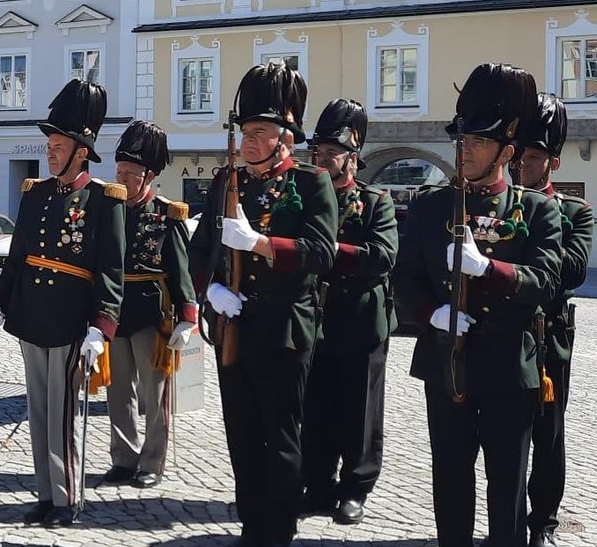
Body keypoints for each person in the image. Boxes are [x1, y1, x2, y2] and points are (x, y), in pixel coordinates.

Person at [393, 63, 561, 547]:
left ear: (507, 152)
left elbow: (546, 281)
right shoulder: (429, 206)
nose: (465, 151)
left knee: (507, 482)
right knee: (449, 475)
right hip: (446, 362)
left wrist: (488, 269)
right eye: (462, 141)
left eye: (478, 143)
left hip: (510, 367)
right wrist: (432, 313)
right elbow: (404, 278)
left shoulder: (535, 210)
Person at [187, 62, 337, 547]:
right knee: (242, 431)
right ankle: (253, 522)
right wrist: (209, 290)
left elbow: (321, 252)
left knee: (280, 432)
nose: (250, 141)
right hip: (234, 325)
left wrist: (261, 244)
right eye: (246, 131)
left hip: (284, 328)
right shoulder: (226, 182)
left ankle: (278, 528)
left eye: (261, 132)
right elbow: (200, 248)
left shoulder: (311, 183)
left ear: (284, 137)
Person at [0, 78, 125, 527]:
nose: (51, 152)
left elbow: (110, 269)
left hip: (69, 322)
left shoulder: (104, 200)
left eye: (59, 145)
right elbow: (20, 255)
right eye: (50, 144)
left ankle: (67, 499)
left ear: (82, 150)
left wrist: (102, 325)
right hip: (30, 316)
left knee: (62, 415)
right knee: (39, 412)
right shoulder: (36, 194)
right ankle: (45, 492)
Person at [299, 99, 397, 525]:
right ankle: (317, 484)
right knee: (315, 407)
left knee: (359, 410)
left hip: (360, 320)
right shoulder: (303, 199)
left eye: (330, 154)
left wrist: (328, 251)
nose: (321, 160)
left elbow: (381, 255)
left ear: (352, 158)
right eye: (316, 153)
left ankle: (355, 488)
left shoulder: (375, 202)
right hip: (314, 319)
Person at [513, 93, 591, 547]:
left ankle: (543, 520)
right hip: (503, 332)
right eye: (519, 155)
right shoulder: (499, 208)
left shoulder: (573, 212)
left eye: (534, 157)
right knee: (503, 436)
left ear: (553, 163)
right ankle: (505, 515)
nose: (523, 165)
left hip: (547, 337)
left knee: (548, 433)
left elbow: (572, 271)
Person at [101, 120, 197, 491]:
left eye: (130, 173)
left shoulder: (166, 215)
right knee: (117, 390)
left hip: (151, 313)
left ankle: (152, 462)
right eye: (120, 170)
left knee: (154, 395)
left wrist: (187, 316)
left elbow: (179, 268)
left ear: (148, 176)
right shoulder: (107, 209)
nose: (122, 178)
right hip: (114, 312)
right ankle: (124, 458)